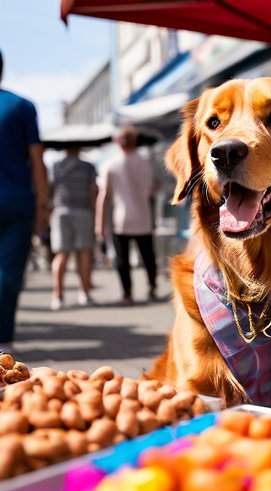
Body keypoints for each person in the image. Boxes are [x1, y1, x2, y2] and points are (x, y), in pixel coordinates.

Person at [0, 50, 48, 343]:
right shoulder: (22, 107)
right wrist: (43, 205)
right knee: (8, 271)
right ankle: (3, 338)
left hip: (16, 201)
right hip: (17, 201)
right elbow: (37, 160)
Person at [96, 126, 158, 305]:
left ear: (117, 142)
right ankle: (152, 286)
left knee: (122, 258)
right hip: (144, 216)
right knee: (148, 255)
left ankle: (127, 293)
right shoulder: (146, 161)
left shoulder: (111, 165)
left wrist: (99, 225)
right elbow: (154, 188)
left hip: (121, 219)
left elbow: (104, 197)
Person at [49, 146, 97, 310]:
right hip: (83, 211)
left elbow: (51, 189)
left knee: (61, 254)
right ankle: (85, 293)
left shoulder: (56, 166)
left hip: (61, 210)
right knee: (84, 253)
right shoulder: (88, 167)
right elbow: (93, 192)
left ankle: (58, 296)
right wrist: (95, 215)